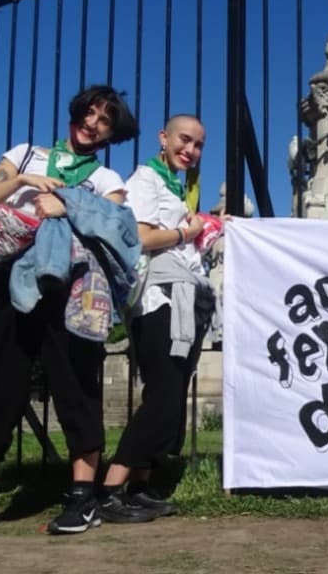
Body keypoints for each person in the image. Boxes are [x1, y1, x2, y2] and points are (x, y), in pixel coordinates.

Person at [0, 85, 140, 535]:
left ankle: (81, 497)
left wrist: (68, 202)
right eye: (89, 112)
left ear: (111, 134)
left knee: (76, 383)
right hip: (10, 273)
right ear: (76, 111)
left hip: (73, 285)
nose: (92, 123)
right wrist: (20, 181)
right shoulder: (24, 155)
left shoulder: (106, 180)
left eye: (104, 121)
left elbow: (115, 228)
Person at [97, 114, 215, 522]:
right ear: (163, 137)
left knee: (166, 394)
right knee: (164, 395)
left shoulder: (175, 185)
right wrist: (187, 233)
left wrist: (207, 225)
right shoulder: (145, 180)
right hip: (159, 300)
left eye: (198, 145)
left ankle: (140, 487)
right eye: (185, 140)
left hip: (181, 295)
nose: (191, 150)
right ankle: (111, 489)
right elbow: (143, 237)